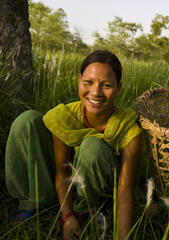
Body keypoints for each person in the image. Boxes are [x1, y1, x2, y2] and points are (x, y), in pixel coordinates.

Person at [5, 50, 142, 240]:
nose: (96, 92)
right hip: (67, 184)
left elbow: (125, 191)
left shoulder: (128, 128)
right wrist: (67, 217)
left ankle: (91, 210)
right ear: (79, 80)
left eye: (107, 85)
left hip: (99, 189)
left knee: (92, 147)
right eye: (88, 82)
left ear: (119, 88)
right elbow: (63, 171)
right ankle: (34, 200)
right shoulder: (66, 118)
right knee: (27, 120)